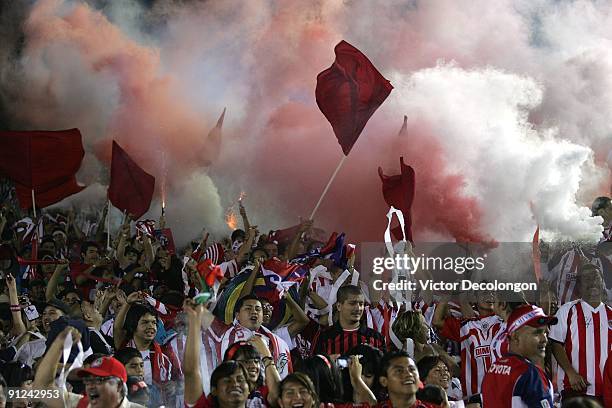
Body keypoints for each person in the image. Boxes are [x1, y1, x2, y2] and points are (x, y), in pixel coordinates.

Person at [32, 327, 144, 408]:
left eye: (99, 380)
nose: (90, 386)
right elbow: (43, 388)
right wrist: (58, 344)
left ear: (119, 386)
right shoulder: (81, 404)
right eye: (88, 380)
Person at [550, 263, 610, 403]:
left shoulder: (611, 314)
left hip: (606, 392)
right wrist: (571, 373)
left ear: (602, 282)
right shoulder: (566, 311)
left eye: (596, 277)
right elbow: (555, 344)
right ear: (579, 286)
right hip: (574, 390)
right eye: (587, 279)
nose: (593, 282)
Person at [481, 304, 557, 408]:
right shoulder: (530, 374)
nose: (544, 339)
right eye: (537, 333)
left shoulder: (493, 368)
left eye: (545, 333)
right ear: (516, 337)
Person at [433, 292, 503, 398]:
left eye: (493, 293)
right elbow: (437, 321)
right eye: (484, 293)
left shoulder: (505, 323)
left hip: (503, 392)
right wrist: (448, 293)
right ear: (475, 299)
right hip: (474, 397)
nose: (490, 296)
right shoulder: (465, 326)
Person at [311, 285, 386, 355]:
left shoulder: (376, 338)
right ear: (339, 306)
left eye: (361, 304)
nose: (358, 308)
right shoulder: (324, 337)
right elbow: (314, 367)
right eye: (352, 303)